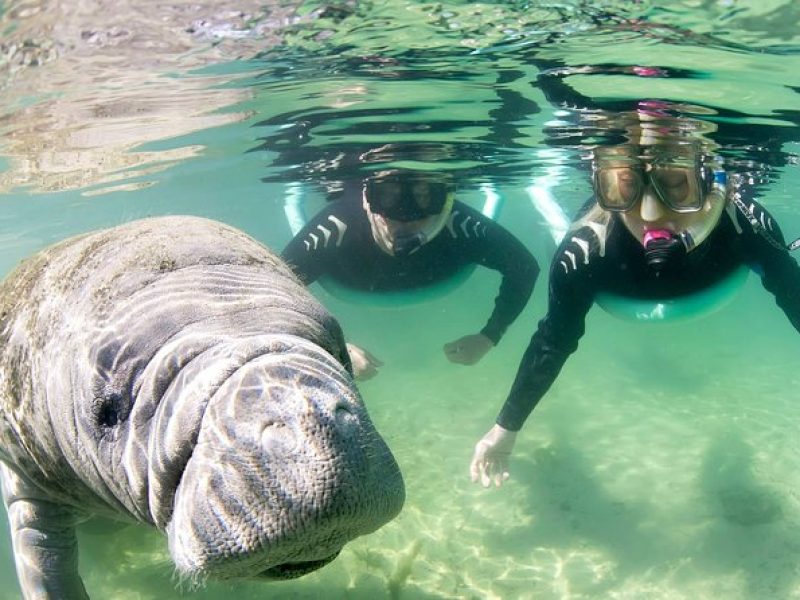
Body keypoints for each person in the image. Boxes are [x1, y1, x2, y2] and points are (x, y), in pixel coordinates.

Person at [470, 137, 800, 488]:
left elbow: (791, 291)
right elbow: (555, 337)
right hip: (617, 278)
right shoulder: (585, 251)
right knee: (564, 242)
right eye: (623, 188)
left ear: (709, 182)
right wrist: (505, 428)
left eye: (675, 185)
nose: (649, 213)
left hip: (681, 277)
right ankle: (556, 204)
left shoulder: (743, 221)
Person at [281, 169, 540, 379]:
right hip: (358, 277)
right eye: (388, 195)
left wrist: (489, 336)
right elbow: (275, 287)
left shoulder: (459, 225)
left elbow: (524, 267)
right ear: (369, 199)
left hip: (362, 279)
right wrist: (336, 347)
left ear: (445, 200)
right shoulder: (337, 227)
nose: (404, 216)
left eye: (425, 195)